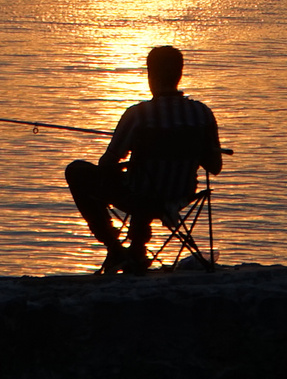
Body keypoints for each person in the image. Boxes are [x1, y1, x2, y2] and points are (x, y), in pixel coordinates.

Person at [65, 46, 223, 273]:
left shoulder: (139, 115)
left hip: (140, 197)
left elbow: (107, 163)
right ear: (179, 73)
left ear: (150, 74)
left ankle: (117, 250)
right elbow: (215, 166)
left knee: (78, 171)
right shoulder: (202, 114)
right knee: (143, 184)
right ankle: (136, 249)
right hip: (181, 195)